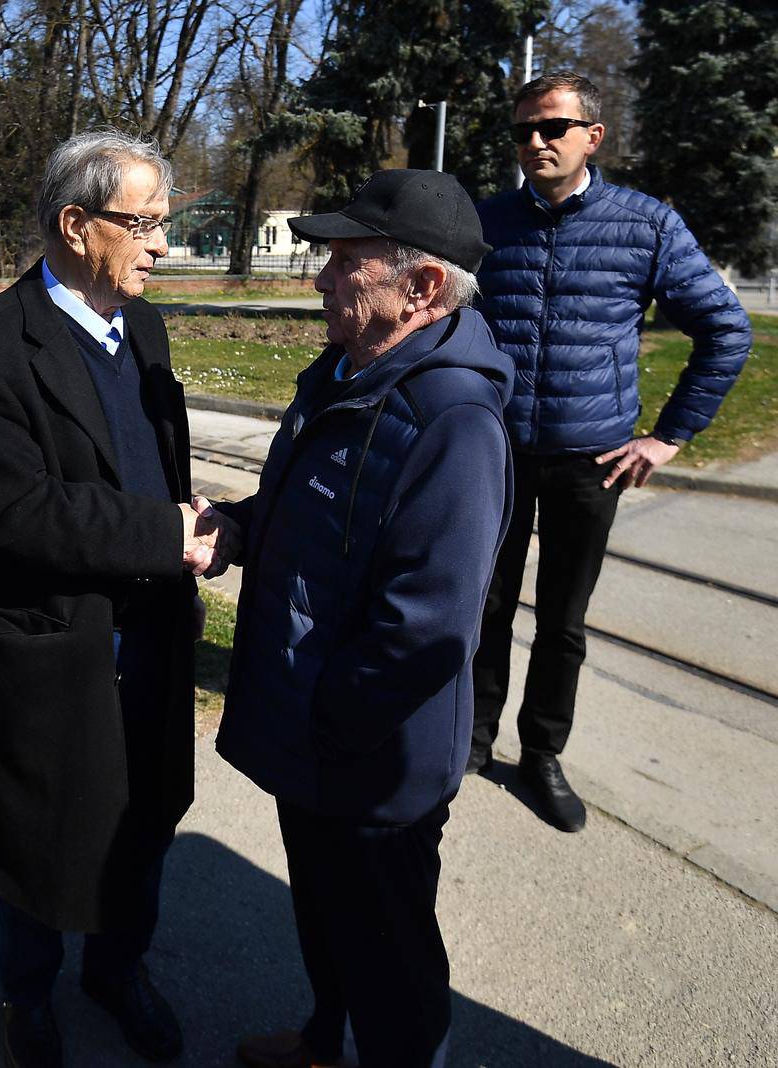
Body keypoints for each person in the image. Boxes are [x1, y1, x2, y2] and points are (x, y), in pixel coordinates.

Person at [213, 170, 514, 1068]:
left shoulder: (453, 419)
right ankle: (321, 1044)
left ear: (420, 289)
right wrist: (240, 523)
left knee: (389, 957)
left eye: (346, 262)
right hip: (318, 742)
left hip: (370, 757)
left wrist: (333, 724)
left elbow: (427, 625)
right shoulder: (350, 369)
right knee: (325, 919)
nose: (319, 280)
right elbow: (317, 510)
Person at [0, 129, 222, 1068]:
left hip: (150, 629)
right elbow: (15, 512)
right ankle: (29, 998)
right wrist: (169, 535)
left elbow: (155, 464)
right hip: (56, 638)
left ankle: (117, 971)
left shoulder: (143, 327)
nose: (161, 247)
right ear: (74, 223)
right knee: (43, 830)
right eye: (142, 225)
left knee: (144, 816)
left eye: (162, 226)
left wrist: (182, 551)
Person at [472, 72, 752, 832]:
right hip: (493, 452)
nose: (535, 141)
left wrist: (668, 436)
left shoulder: (648, 225)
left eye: (553, 126)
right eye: (524, 129)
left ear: (593, 136)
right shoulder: (487, 222)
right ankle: (468, 740)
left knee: (563, 617)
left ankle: (541, 756)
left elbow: (727, 330)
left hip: (589, 460)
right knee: (482, 603)